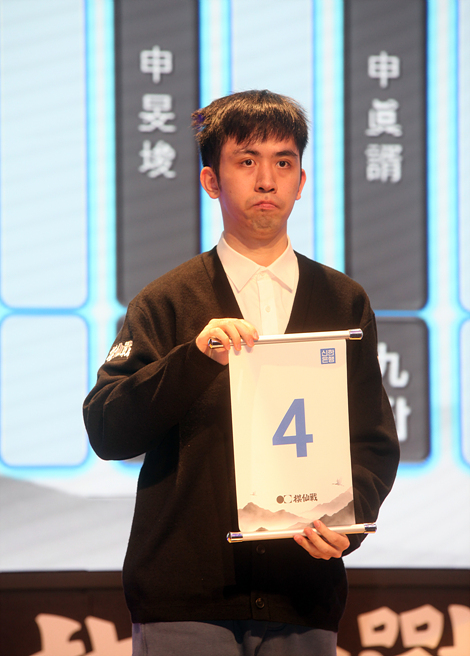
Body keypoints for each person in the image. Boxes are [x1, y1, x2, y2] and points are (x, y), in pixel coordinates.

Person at [83, 89, 399, 655]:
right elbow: (108, 428)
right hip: (186, 598)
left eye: (284, 162)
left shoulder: (343, 301)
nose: (267, 180)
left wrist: (348, 521)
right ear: (211, 180)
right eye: (246, 161)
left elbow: (373, 440)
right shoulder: (167, 301)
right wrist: (192, 359)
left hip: (304, 596)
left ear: (302, 181)